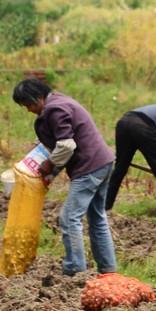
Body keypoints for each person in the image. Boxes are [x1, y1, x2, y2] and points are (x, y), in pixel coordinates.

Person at [12, 78, 117, 276]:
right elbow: (59, 143)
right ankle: (108, 271)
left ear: (39, 98)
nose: (29, 110)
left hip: (89, 166)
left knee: (69, 218)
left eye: (29, 105)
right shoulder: (60, 101)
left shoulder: (54, 110)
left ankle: (75, 270)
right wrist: (50, 171)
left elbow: (66, 145)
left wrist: (48, 165)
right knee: (97, 217)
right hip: (103, 162)